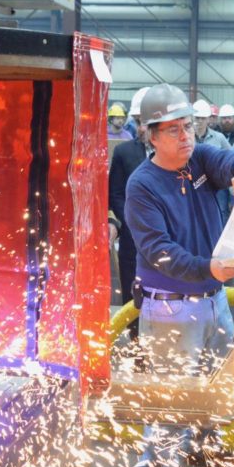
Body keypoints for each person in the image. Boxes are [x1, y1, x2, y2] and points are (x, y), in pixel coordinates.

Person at [124, 83, 234, 467]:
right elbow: (159, 250)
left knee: (216, 383)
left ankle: (207, 445)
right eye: (174, 130)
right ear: (151, 135)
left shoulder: (197, 162)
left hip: (214, 300)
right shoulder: (142, 185)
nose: (185, 137)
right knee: (172, 393)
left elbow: (221, 157)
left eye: (189, 127)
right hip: (173, 307)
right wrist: (207, 268)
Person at [108, 87, 151, 348]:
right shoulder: (124, 153)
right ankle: (135, 342)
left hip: (164, 240)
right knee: (132, 293)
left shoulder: (175, 155)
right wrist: (129, 222)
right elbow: (115, 193)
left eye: (145, 122)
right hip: (132, 240)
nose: (141, 128)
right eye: (138, 122)